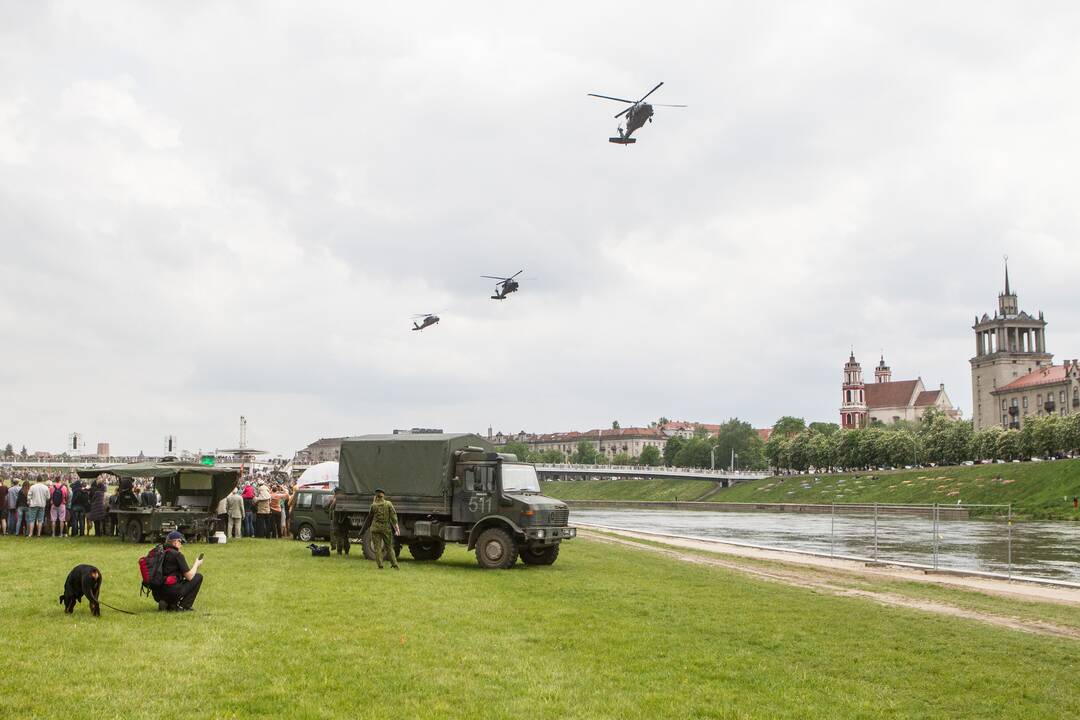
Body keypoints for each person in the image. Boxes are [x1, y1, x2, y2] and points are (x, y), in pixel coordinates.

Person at [158, 531, 204, 612]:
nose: (181, 545)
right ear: (175, 542)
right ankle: (184, 606)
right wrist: (196, 564)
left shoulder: (160, 552)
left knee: (174, 582)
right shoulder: (177, 555)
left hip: (158, 592)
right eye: (180, 541)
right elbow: (189, 576)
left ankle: (167, 603)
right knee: (198, 577)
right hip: (172, 590)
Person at [367, 488, 399, 569]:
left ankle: (380, 565)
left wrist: (374, 502)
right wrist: (396, 528)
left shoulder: (373, 505)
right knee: (389, 547)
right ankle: (394, 564)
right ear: (383, 495)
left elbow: (370, 515)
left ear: (376, 496)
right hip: (386, 528)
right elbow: (393, 517)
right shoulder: (388, 504)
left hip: (375, 529)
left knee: (377, 547)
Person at [326, 488, 350, 555]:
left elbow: (327, 507)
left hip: (337, 521)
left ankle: (339, 552)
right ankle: (347, 551)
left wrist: (332, 500)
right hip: (345, 521)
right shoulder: (346, 499)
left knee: (339, 537)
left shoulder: (335, 500)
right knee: (345, 536)